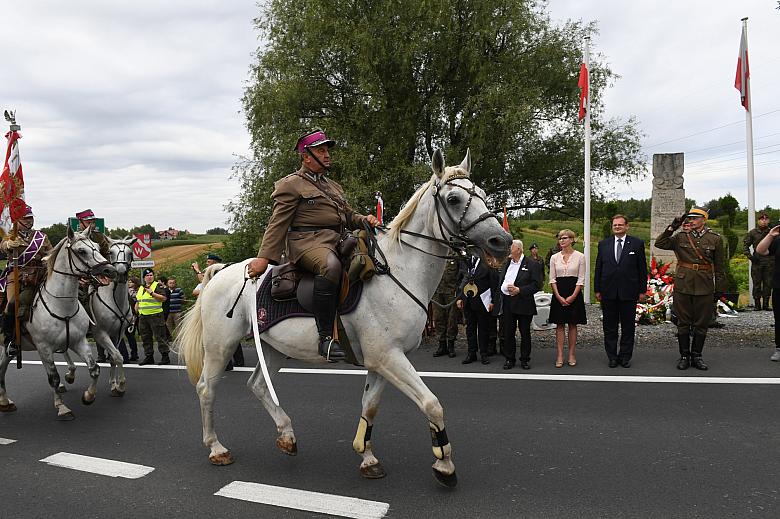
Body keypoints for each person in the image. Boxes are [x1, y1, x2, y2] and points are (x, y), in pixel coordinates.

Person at [245, 129, 380, 361]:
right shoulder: (291, 185)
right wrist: (264, 258)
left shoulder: (333, 186)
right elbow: (277, 224)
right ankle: (326, 338)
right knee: (330, 266)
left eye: (327, 150)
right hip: (306, 243)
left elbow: (347, 215)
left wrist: (363, 219)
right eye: (321, 150)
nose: (327, 155)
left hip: (336, 240)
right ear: (306, 156)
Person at [655, 207, 725, 370]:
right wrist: (672, 227)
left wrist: (719, 289)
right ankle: (684, 356)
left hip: (705, 285)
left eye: (694, 218)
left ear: (703, 220)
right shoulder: (680, 237)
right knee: (683, 322)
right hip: (683, 284)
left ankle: (697, 356)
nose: (690, 221)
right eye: (689, 218)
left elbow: (720, 267)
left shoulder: (715, 239)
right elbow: (660, 243)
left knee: (702, 323)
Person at [594, 215, 648, 368]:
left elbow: (642, 269)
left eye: (620, 224)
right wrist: (597, 289)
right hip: (608, 291)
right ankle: (612, 356)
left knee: (628, 327)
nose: (617, 227)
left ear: (627, 226)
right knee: (609, 327)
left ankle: (625, 356)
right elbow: (599, 268)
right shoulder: (603, 244)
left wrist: (642, 290)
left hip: (629, 292)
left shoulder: (637, 244)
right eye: (614, 225)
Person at [0, 205, 53, 356]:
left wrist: (48, 258)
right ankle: (9, 340)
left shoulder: (41, 236)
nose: (29, 221)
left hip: (39, 273)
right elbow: (3, 246)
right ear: (18, 220)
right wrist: (8, 244)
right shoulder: (11, 234)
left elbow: (50, 252)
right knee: (12, 304)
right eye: (26, 218)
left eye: (31, 218)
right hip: (16, 275)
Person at [499, 240, 543, 370]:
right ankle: (509, 359)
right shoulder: (507, 263)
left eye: (511, 247)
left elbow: (537, 285)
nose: (508, 249)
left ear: (518, 249)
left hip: (524, 303)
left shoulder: (532, 264)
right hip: (508, 303)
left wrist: (520, 290)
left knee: (525, 333)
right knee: (508, 333)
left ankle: (525, 359)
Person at [548, 229, 587, 368]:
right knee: (559, 325)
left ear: (572, 239)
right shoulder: (554, 257)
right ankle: (559, 354)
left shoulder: (580, 257)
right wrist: (558, 296)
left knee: (572, 324)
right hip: (559, 292)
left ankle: (571, 354)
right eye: (559, 238)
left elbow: (581, 279)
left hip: (574, 292)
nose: (561, 240)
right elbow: (552, 279)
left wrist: (573, 296)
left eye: (564, 238)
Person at [457, 253, 499, 365]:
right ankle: (471, 353)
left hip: (482, 301)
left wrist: (493, 301)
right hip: (467, 301)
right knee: (470, 328)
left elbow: (494, 283)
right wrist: (459, 297)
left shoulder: (487, 261)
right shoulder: (465, 261)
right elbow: (460, 280)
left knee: (483, 328)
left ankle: (484, 353)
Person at [755, 223, 780, 361]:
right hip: (779, 286)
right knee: (779, 319)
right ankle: (779, 348)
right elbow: (761, 250)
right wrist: (770, 235)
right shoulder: (778, 240)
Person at [135, 268, 171, 365]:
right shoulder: (141, 288)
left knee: (160, 336)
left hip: (155, 315)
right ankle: (149, 356)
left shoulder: (157, 285)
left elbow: (163, 298)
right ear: (144, 278)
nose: (149, 277)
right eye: (147, 275)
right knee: (145, 337)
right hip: (143, 316)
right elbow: (139, 301)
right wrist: (136, 313)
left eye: (151, 275)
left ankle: (165, 356)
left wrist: (152, 293)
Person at [431, 258, 462, 358]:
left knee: (451, 320)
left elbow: (461, 274)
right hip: (437, 291)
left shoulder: (455, 255)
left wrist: (459, 292)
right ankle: (442, 345)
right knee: (438, 318)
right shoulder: (436, 253)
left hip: (451, 292)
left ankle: (451, 345)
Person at [743, 212, 774, 310]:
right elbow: (745, 246)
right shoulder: (753, 233)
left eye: (766, 219)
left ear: (768, 221)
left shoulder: (772, 232)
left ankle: (766, 304)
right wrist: (750, 257)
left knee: (768, 283)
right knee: (756, 283)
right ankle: (757, 304)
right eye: (761, 219)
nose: (764, 221)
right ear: (758, 221)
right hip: (757, 261)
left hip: (770, 261)